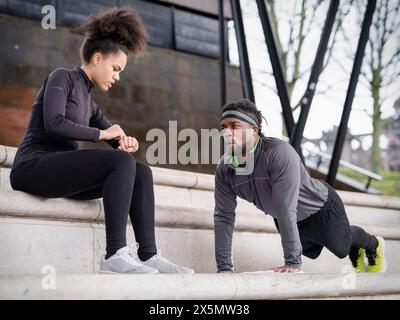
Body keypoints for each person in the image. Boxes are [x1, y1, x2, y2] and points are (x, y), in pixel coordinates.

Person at [10, 7, 193, 274]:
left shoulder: (90, 104)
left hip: (61, 173)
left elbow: (116, 141)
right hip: (33, 166)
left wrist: (123, 141)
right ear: (97, 58)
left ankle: (149, 255)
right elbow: (54, 123)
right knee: (120, 163)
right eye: (115, 68)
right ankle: (115, 253)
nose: (118, 76)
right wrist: (102, 134)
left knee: (140, 171)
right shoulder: (63, 77)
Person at [214, 99, 386, 273]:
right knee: (309, 249)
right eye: (224, 127)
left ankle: (373, 244)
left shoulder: (278, 153)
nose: (227, 133)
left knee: (341, 247)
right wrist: (224, 268)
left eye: (234, 126)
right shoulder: (225, 168)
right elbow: (224, 217)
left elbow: (285, 207)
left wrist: (292, 263)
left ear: (253, 130)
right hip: (288, 217)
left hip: (320, 207)